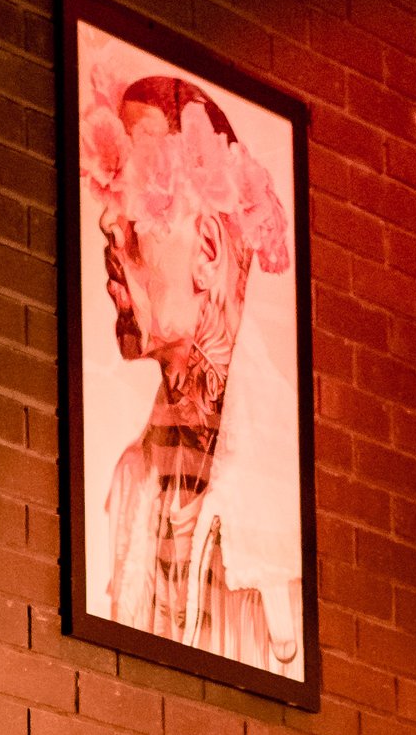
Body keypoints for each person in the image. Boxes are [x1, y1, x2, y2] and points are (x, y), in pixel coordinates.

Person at [84, 69, 302, 673]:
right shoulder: (135, 479)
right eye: (111, 189)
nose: (108, 223)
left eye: (137, 193)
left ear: (208, 250)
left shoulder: (291, 481)